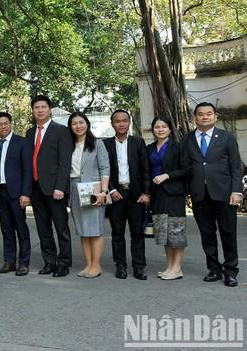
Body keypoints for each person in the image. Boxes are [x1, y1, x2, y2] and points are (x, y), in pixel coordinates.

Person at [181, 102, 243, 287]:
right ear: (195, 118)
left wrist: (236, 191)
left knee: (228, 233)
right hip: (200, 195)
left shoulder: (226, 137)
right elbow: (186, 167)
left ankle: (231, 271)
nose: (205, 117)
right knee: (207, 234)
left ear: (215, 116)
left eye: (209, 114)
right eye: (201, 114)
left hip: (224, 194)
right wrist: (186, 192)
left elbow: (235, 166)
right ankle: (214, 269)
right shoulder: (188, 140)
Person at [25, 95, 73, 277]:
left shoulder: (61, 131)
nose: (40, 110)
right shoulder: (30, 133)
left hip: (55, 189)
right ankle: (50, 262)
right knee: (43, 228)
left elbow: (64, 161)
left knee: (61, 228)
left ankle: (64, 263)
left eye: (43, 107)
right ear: (33, 110)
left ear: (50, 109)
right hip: (36, 188)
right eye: (36, 107)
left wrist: (61, 187)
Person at [103, 110, 150, 280]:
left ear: (129, 122)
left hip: (136, 194)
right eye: (117, 121)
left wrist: (146, 192)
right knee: (117, 232)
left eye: (124, 121)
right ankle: (120, 265)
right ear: (112, 123)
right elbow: (103, 170)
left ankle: (139, 267)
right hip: (116, 194)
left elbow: (146, 168)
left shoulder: (138, 142)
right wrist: (112, 189)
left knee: (137, 232)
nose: (121, 124)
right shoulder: (106, 144)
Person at [67, 112, 110, 278]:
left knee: (95, 229)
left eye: (81, 122)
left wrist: (103, 192)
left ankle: (96, 265)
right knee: (82, 230)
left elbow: (105, 168)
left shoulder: (97, 144)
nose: (78, 126)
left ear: (87, 124)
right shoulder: (69, 145)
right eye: (74, 123)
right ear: (70, 127)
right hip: (74, 188)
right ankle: (88, 264)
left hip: (94, 189)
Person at [0, 112, 31, 276]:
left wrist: (26, 193)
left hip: (16, 193)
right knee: (6, 229)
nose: (3, 126)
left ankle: (24, 262)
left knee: (21, 228)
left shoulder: (22, 143)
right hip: (0, 193)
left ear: (10, 124)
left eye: (6, 123)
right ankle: (9, 261)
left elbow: (27, 170)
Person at [147, 116, 187, 281]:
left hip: (173, 193)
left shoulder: (177, 147)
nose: (160, 129)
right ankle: (169, 266)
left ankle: (177, 268)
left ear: (170, 129)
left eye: (164, 126)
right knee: (164, 231)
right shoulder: (149, 148)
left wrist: (167, 176)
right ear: (153, 130)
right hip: (157, 194)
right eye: (157, 127)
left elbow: (187, 169)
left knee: (176, 231)